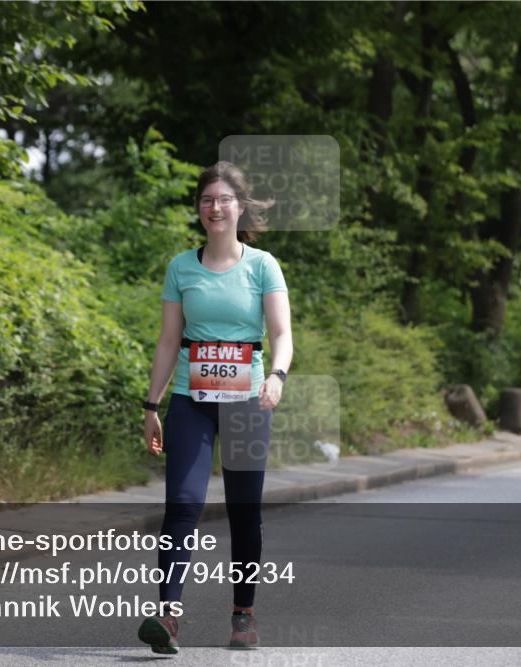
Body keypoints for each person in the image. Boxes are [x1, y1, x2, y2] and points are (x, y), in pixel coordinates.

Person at [137, 161, 293, 653]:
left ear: (240, 206)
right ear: (199, 209)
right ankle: (168, 618)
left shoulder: (262, 264)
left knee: (244, 510)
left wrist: (276, 376)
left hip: (248, 399)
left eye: (224, 198)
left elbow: (282, 335)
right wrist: (151, 404)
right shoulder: (182, 266)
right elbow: (167, 341)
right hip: (191, 398)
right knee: (182, 504)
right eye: (207, 199)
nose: (215, 207)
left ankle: (243, 616)